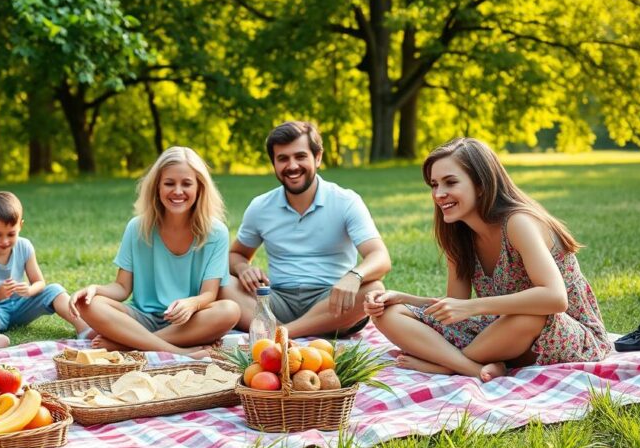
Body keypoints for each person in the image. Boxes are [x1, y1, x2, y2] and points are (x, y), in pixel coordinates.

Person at [364, 138, 611, 382]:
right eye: (434, 184)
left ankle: (448, 365)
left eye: (450, 182)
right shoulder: (459, 235)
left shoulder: (518, 223)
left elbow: (555, 299)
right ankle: (471, 367)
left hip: (565, 332)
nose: (439, 194)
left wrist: (474, 307)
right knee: (388, 313)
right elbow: (455, 308)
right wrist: (404, 298)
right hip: (500, 331)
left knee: (530, 314)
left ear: (481, 185)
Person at [220, 121, 391, 338]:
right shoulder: (260, 207)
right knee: (223, 282)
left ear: (317, 157)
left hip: (332, 302)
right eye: (283, 158)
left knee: (374, 288)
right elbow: (235, 255)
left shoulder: (346, 201)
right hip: (278, 300)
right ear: (274, 163)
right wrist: (244, 268)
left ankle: (281, 334)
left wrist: (355, 275)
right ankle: (291, 331)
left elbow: (380, 257)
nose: (292, 166)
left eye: (300, 156)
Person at [69, 146, 240, 357]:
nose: (178, 191)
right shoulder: (138, 228)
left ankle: (130, 344)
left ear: (199, 188)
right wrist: (95, 289)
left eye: (186, 184)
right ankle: (178, 351)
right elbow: (122, 287)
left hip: (187, 321)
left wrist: (191, 304)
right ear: (157, 187)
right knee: (86, 304)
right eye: (169, 183)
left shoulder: (216, 233)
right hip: (142, 318)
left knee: (230, 310)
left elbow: (209, 294)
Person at [0, 192, 88, 349]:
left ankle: (84, 328)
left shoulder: (25, 246)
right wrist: (0, 293)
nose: (4, 241)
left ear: (20, 226)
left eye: (11, 234)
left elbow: (39, 282)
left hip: (18, 305)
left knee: (55, 289)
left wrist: (30, 290)